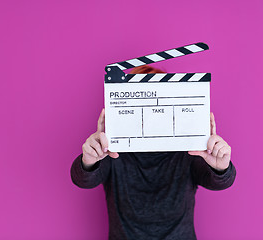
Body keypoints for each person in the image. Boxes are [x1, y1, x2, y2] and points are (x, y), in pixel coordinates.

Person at [71, 65, 236, 240]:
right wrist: (88, 160)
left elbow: (219, 182)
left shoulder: (189, 150)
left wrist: (221, 168)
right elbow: (83, 179)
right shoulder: (113, 151)